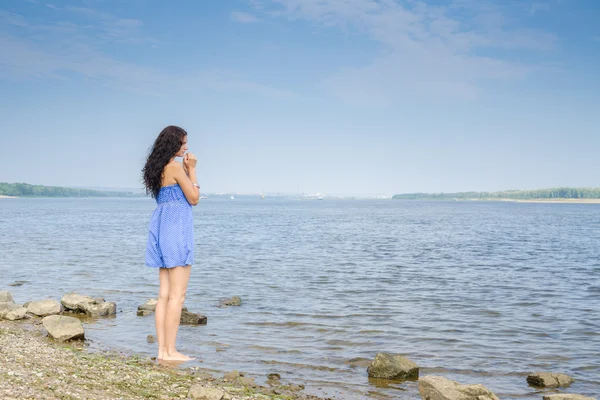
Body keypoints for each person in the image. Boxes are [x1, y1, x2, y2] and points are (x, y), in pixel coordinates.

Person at [142, 125, 200, 362]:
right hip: (176, 230)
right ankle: (171, 351)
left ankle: (162, 351)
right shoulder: (175, 167)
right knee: (178, 294)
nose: (186, 147)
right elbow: (194, 199)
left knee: (164, 294)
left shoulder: (156, 169)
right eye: (183, 143)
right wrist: (192, 171)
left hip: (161, 227)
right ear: (172, 144)